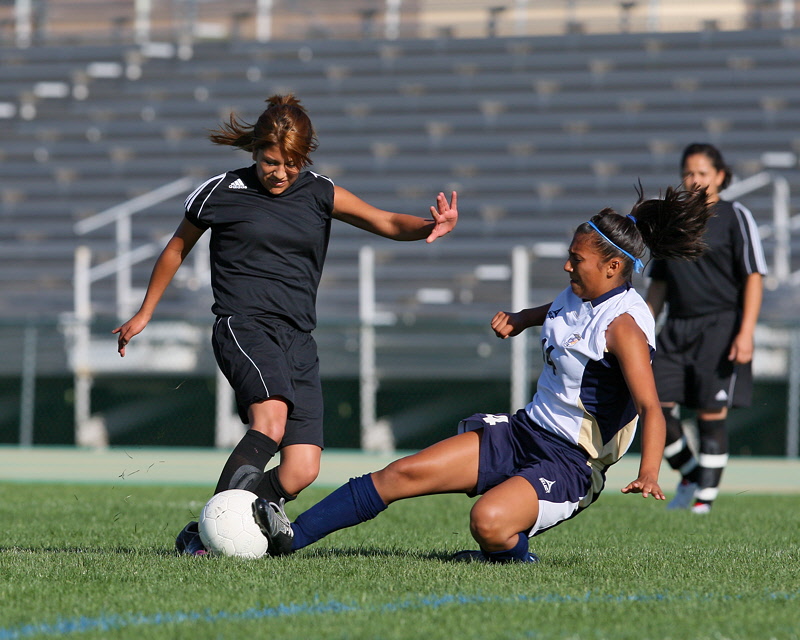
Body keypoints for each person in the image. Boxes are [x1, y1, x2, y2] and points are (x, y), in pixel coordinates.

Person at [253, 185, 712, 563]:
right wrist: (519, 319)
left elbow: (651, 408)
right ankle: (288, 540)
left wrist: (650, 472)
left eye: (577, 259)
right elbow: (556, 311)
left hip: (571, 463)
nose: (567, 265)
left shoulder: (624, 327)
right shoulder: (582, 290)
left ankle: (513, 557)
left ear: (613, 268)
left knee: (487, 522)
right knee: (401, 473)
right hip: (523, 431)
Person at [112, 95, 459, 555]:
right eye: (271, 162)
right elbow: (177, 248)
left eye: (291, 164)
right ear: (255, 151)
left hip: (298, 338)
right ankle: (215, 535)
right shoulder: (221, 191)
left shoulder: (320, 191)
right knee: (270, 420)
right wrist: (145, 311)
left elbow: (384, 221)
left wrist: (427, 226)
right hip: (244, 325)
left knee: (301, 470)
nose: (280, 173)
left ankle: (210, 531)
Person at [646, 143, 767, 514]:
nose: (694, 180)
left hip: (721, 326)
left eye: (702, 173)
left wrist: (745, 332)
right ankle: (692, 475)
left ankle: (703, 503)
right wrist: (642, 330)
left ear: (719, 176)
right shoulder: (672, 220)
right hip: (676, 327)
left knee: (710, 416)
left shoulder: (735, 215)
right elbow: (659, 286)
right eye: (688, 172)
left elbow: (754, 276)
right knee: (655, 406)